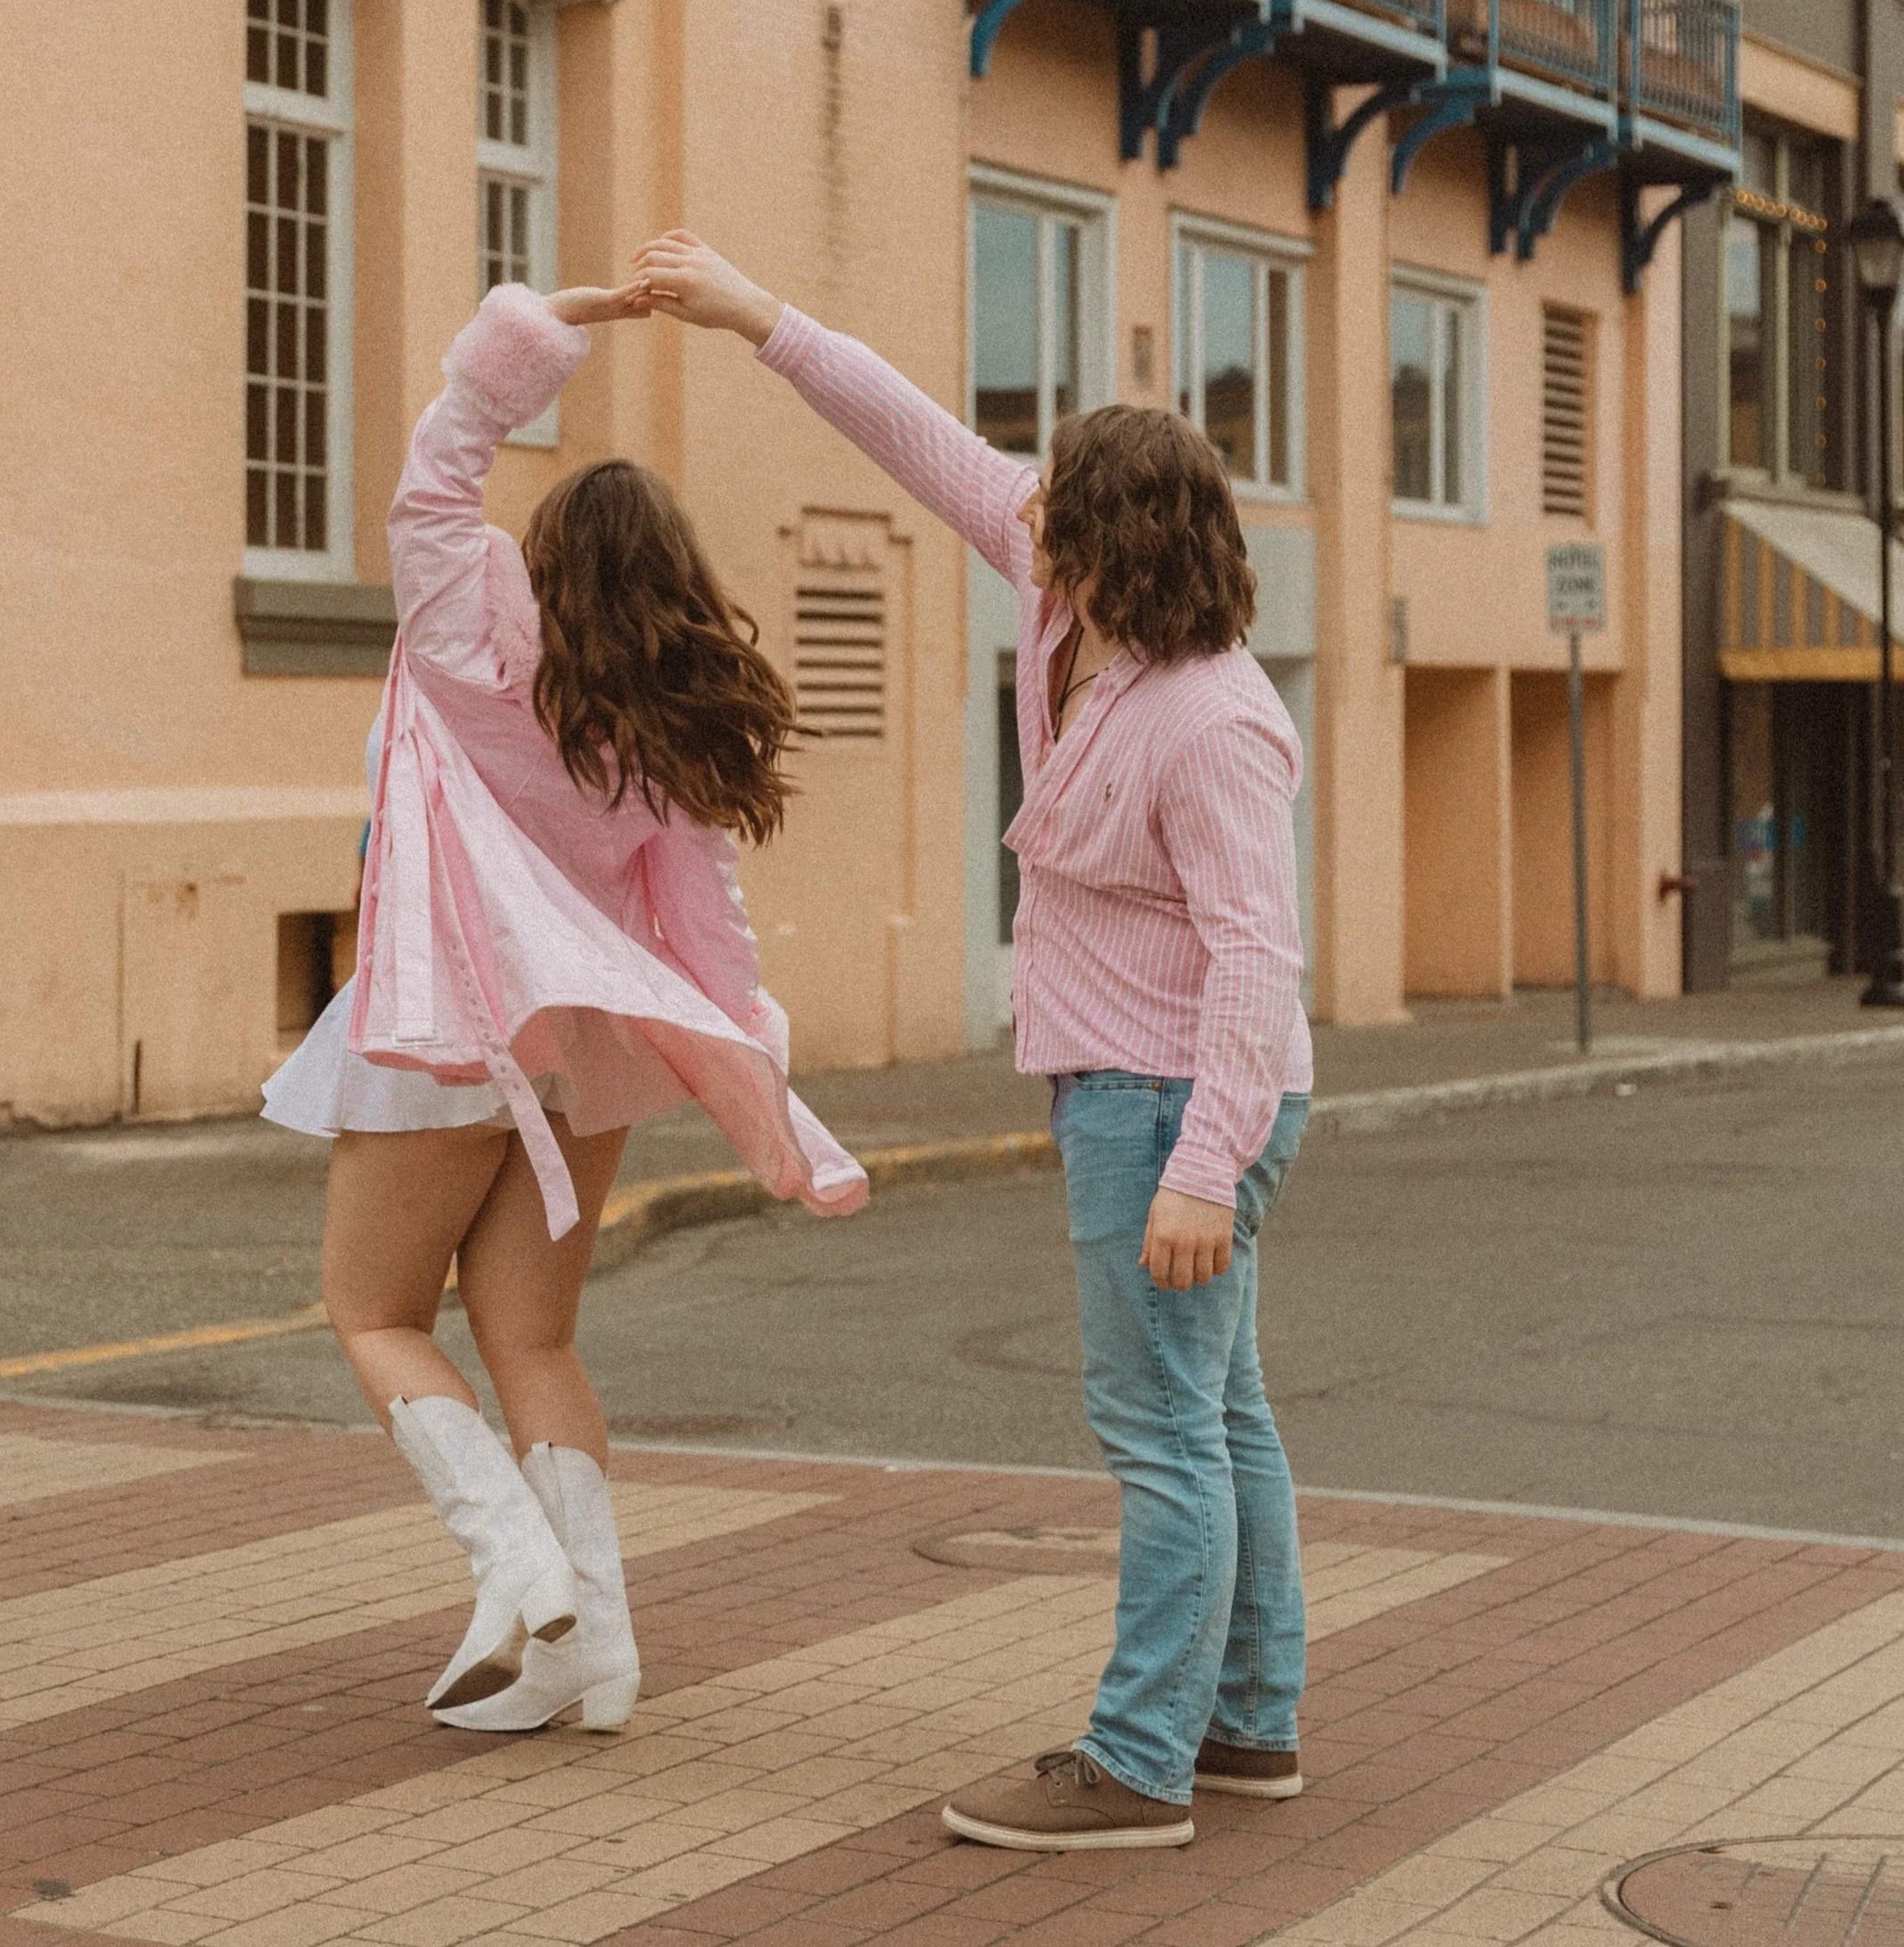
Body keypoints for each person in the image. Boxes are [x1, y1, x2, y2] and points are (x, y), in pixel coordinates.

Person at [639, 231, 1313, 1850]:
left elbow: (1257, 958)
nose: (1026, 507)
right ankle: (1249, 1727)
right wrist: (758, 315)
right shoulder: (1062, 604)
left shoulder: (1211, 719)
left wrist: (1202, 1168)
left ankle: (1143, 1761)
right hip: (1139, 1096)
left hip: (1173, 1107)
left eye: (1060, 498)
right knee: (1220, 1415)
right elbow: (919, 432)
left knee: (1163, 1433)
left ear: (1119, 536)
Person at [264, 276, 867, 1738]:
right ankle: (596, 1652)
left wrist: (552, 317)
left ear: (541, 561)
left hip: (449, 1020)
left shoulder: (469, 632)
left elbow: (444, 447)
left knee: (372, 1311)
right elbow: (710, 939)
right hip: (589, 1052)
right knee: (533, 1342)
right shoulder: (667, 722)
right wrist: (756, 1079)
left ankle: (520, 1565)